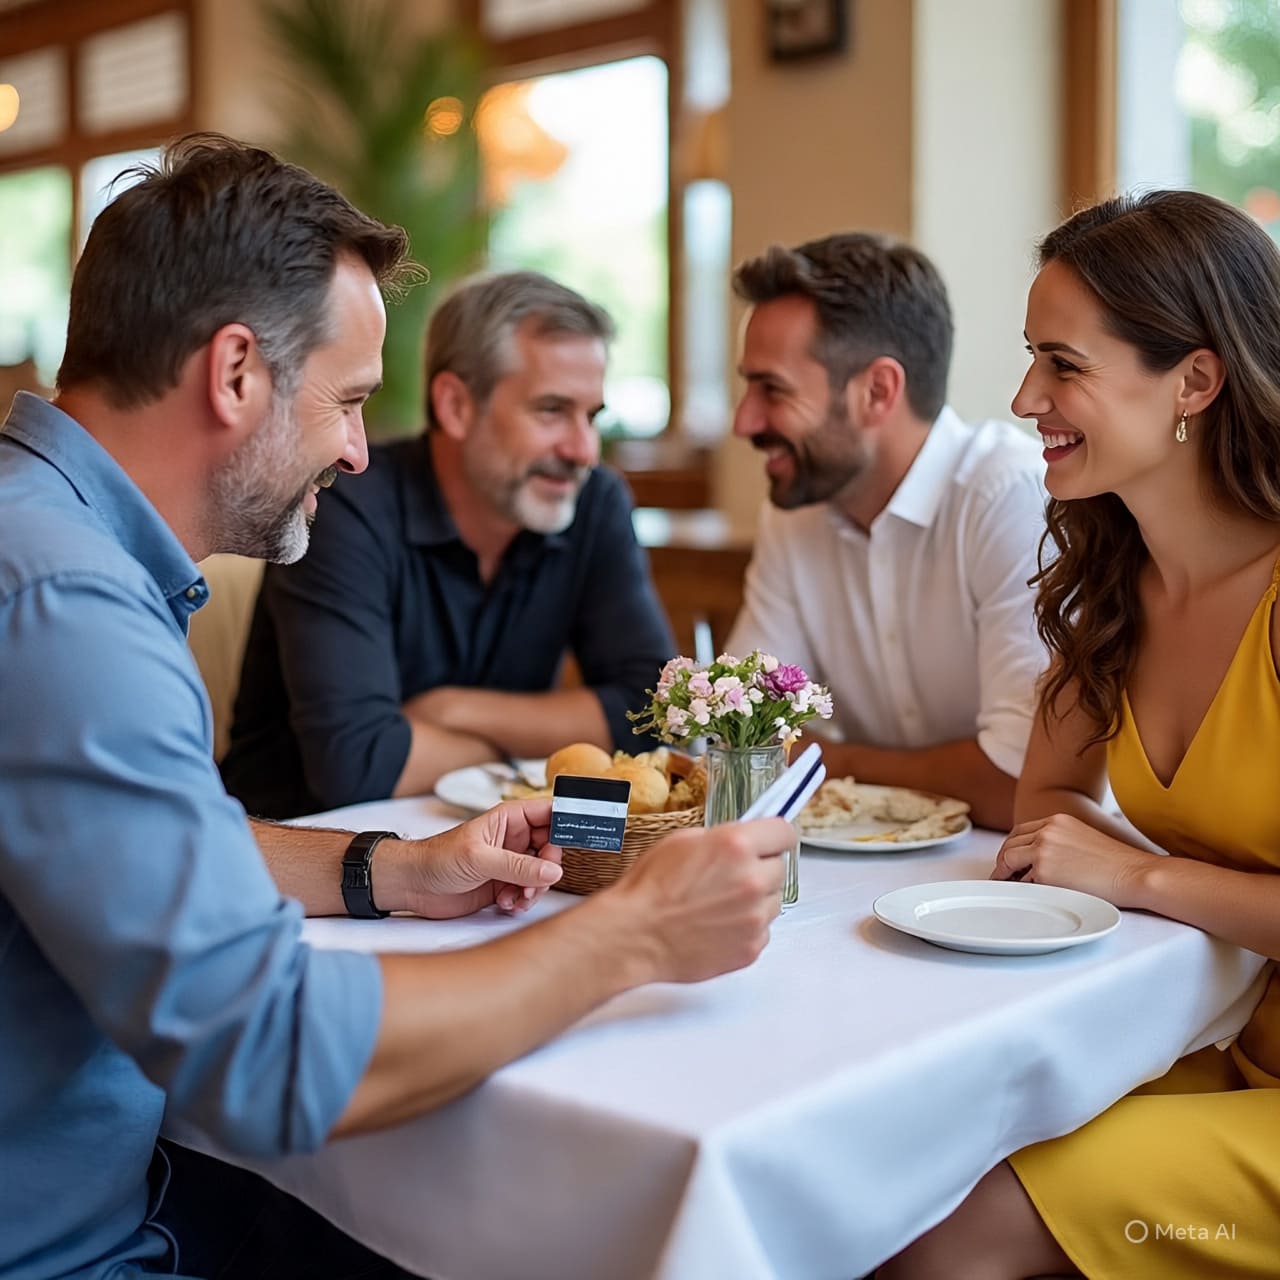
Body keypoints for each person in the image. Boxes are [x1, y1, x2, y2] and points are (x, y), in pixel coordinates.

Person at [0, 133, 796, 1280]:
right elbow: (267, 1054)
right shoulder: (72, 606)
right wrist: (632, 932)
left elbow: (143, 841)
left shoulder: (47, 537)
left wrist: (386, 867)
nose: (360, 453)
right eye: (349, 401)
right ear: (235, 373)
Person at [880, 190, 1280, 1279]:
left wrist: (1141, 877)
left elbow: (1099, 853)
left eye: (1061, 364)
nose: (1022, 397)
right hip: (1225, 1045)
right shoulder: (1113, 585)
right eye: (1028, 359)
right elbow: (1043, 802)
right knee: (902, 1165)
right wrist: (1094, 850)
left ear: (1193, 380)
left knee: (943, 1235)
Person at [220, 270, 673, 819]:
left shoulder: (593, 502)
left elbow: (653, 710)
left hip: (491, 852)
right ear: (455, 405)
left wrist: (452, 710)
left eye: (592, 416)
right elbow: (358, 765)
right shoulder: (345, 505)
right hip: (304, 859)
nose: (584, 450)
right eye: (552, 411)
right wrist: (533, 755)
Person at [725, 233, 1047, 829]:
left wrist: (829, 758)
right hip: (868, 871)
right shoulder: (794, 515)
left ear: (878, 391)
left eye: (771, 389)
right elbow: (743, 735)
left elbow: (1019, 784)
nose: (744, 420)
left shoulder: (1011, 498)